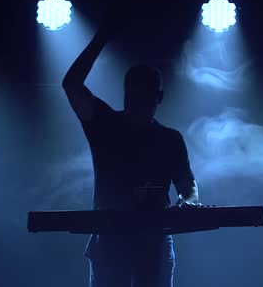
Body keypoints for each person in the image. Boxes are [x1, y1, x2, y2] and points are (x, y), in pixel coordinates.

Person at [62, 16, 200, 287]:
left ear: (158, 98)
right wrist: (100, 38)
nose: (137, 104)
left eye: (144, 98)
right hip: (111, 238)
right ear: (125, 94)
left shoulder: (170, 139)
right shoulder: (104, 123)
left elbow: (187, 183)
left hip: (155, 239)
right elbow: (72, 85)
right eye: (133, 97)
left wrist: (189, 201)